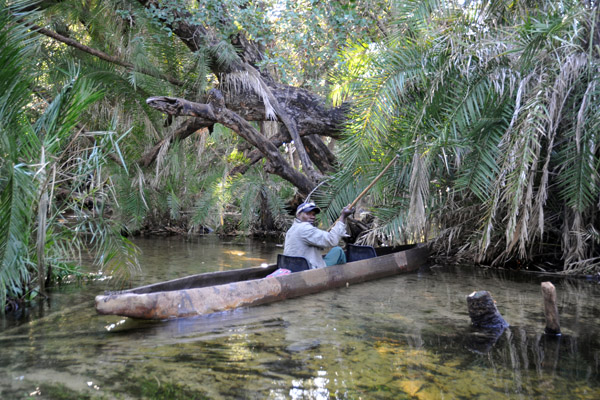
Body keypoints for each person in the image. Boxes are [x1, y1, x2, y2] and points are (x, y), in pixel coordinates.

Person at [283, 202, 354, 269]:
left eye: (313, 214)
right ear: (298, 215)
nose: (312, 217)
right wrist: (343, 216)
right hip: (308, 269)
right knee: (338, 251)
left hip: (291, 266)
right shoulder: (305, 228)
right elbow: (332, 240)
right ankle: (345, 275)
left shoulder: (291, 229)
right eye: (308, 214)